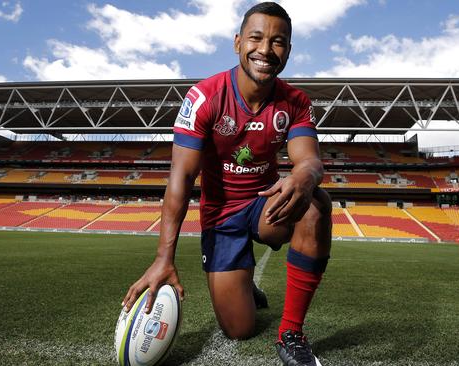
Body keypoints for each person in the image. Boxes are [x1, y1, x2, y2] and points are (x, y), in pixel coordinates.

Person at [122, 3, 331, 365]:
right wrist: (163, 259)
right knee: (239, 328)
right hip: (221, 216)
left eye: (278, 41)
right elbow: (181, 179)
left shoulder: (295, 101)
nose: (265, 49)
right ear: (237, 43)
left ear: (288, 51)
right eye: (256, 38)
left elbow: (310, 159)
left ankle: (291, 333)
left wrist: (305, 174)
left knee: (315, 203)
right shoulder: (203, 97)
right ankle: (243, 280)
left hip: (265, 204)